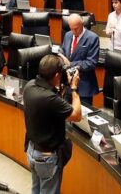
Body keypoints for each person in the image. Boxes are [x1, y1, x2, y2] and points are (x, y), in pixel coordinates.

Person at [22, 54, 81, 194]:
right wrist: (74, 89)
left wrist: (59, 89)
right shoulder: (50, 99)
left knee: (36, 190)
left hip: (32, 151)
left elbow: (50, 106)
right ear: (56, 75)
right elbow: (77, 116)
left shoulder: (29, 86)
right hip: (46, 158)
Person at [62, 14, 99, 105]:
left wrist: (70, 64)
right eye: (71, 28)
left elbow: (91, 63)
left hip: (83, 87)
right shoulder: (67, 35)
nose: (74, 31)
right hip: (68, 85)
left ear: (82, 24)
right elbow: (63, 51)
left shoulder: (92, 38)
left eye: (76, 28)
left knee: (83, 113)